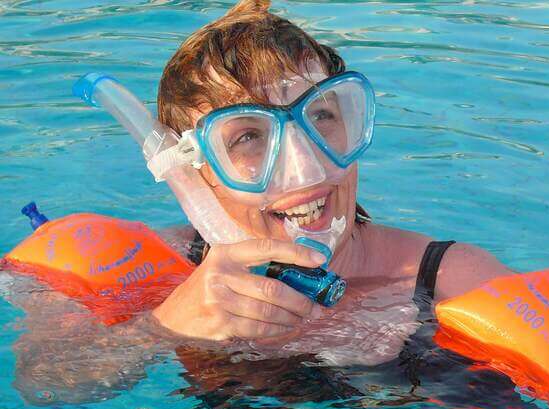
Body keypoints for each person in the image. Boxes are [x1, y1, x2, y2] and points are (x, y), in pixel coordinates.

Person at [150, 0, 513, 342]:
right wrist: (170, 324)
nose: (307, 169)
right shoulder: (161, 268)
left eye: (320, 116)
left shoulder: (453, 282)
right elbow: (91, 387)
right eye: (247, 136)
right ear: (191, 173)